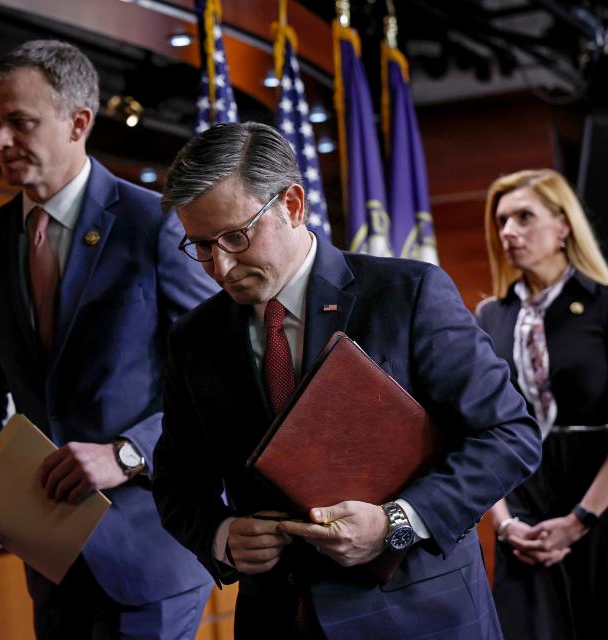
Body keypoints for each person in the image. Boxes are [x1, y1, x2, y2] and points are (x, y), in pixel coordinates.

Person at [150, 122, 542, 639]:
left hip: (418, 618)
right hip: (276, 620)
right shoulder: (193, 337)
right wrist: (221, 535)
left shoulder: (408, 293)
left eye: (235, 237)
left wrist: (395, 523)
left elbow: (509, 435)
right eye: (200, 246)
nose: (220, 266)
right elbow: (178, 481)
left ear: (292, 205)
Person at [0, 40, 216, 639]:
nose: (2, 141)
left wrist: (127, 453)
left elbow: (219, 380)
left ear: (79, 122)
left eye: (20, 122)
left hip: (153, 554)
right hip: (51, 558)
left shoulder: (158, 224)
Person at [476, 168, 608, 640]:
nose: (508, 231)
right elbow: (480, 430)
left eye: (524, 217)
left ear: (563, 225)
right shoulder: (490, 315)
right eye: (502, 221)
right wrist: (506, 525)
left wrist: (580, 520)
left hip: (601, 502)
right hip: (523, 512)